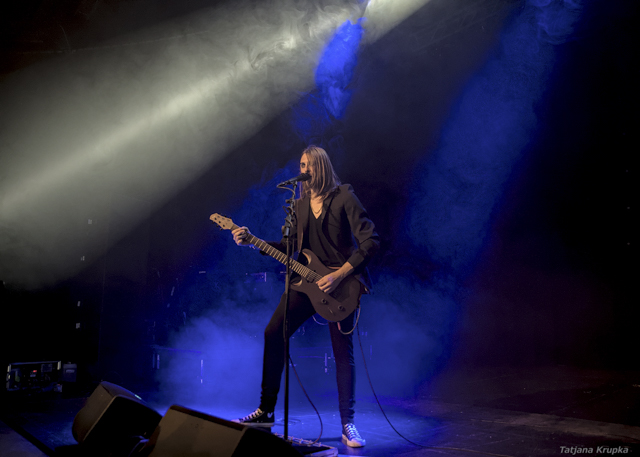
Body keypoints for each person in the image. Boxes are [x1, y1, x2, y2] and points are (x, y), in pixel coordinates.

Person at [231, 145, 379, 448]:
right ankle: (265, 411)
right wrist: (252, 241)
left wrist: (339, 275)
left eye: (309, 165)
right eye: (301, 165)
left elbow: (370, 241)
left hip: (341, 285)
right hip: (305, 284)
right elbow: (288, 248)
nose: (304, 170)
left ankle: (348, 423)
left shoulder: (344, 197)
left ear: (321, 167)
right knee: (273, 332)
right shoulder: (297, 206)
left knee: (342, 352)